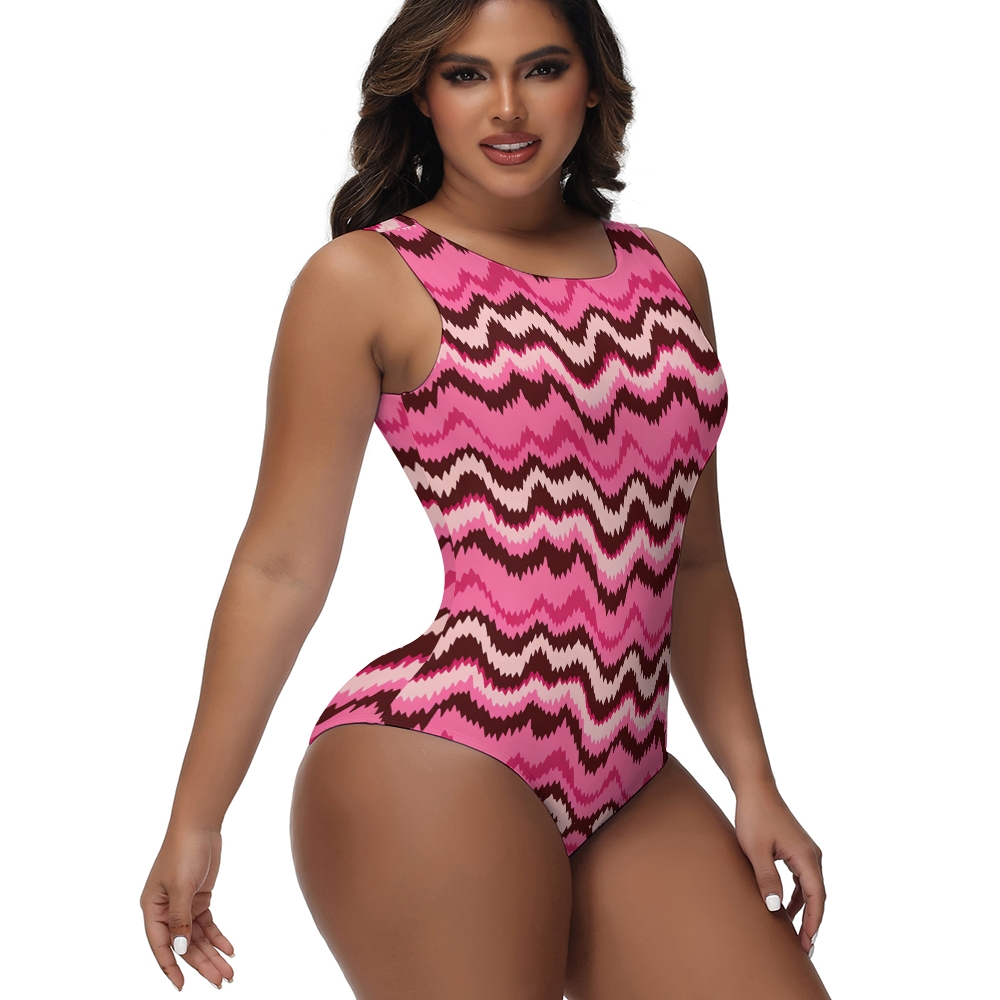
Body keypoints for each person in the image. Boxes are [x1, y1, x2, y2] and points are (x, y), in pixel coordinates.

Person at [140, 1, 831, 996]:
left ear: (591, 83)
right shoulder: (366, 277)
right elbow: (280, 567)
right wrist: (195, 818)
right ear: (422, 93)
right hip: (439, 753)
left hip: (633, 771)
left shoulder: (669, 274)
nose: (507, 107)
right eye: (466, 74)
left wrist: (753, 781)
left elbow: (693, 560)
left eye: (541, 68)